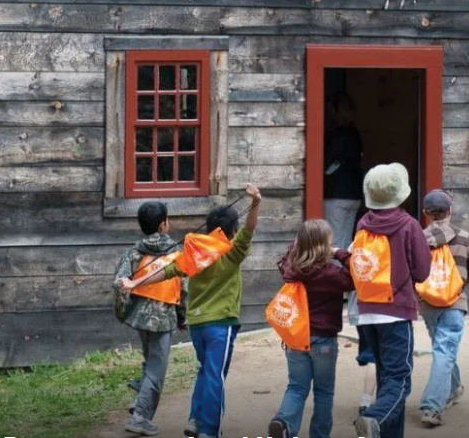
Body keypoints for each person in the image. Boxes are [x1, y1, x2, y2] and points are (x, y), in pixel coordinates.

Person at [120, 184, 262, 438]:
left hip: (197, 325)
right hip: (221, 325)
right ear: (233, 231)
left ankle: (195, 420)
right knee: (215, 376)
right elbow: (250, 228)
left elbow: (166, 270)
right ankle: (209, 430)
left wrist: (135, 282)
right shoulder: (233, 252)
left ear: (209, 229)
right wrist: (255, 202)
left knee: (205, 371)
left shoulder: (195, 255)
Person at [353, 163, 432, 438]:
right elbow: (422, 271)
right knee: (399, 381)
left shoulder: (363, 225)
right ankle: (374, 419)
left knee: (386, 379)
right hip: (396, 312)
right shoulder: (409, 225)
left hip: (367, 312)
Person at [267, 219, 355, 438]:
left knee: (296, 387)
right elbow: (356, 275)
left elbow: (286, 257)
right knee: (323, 392)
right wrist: (339, 253)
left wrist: (299, 246)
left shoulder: (291, 268)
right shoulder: (331, 273)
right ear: (325, 244)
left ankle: (284, 423)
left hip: (296, 338)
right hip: (323, 339)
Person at [113, 201, 188, 436]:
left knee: (150, 360)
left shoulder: (134, 252)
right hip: (164, 318)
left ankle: (140, 396)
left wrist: (122, 312)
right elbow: (184, 289)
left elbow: (120, 283)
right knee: (157, 369)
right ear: (163, 224)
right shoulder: (177, 253)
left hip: (139, 317)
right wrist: (183, 318)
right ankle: (140, 417)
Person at [417, 190, 469, 428]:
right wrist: (458, 282)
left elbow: (412, 271)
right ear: (450, 211)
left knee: (442, 349)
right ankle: (432, 406)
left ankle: (454, 388)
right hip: (455, 303)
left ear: (426, 213)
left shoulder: (418, 239)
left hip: (428, 304)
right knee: (444, 350)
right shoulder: (464, 237)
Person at [323, 91, 364, 249]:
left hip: (336, 195)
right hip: (354, 195)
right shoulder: (355, 134)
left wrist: (324, 174)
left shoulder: (337, 135)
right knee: (346, 241)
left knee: (333, 243)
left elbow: (330, 164)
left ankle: (338, 266)